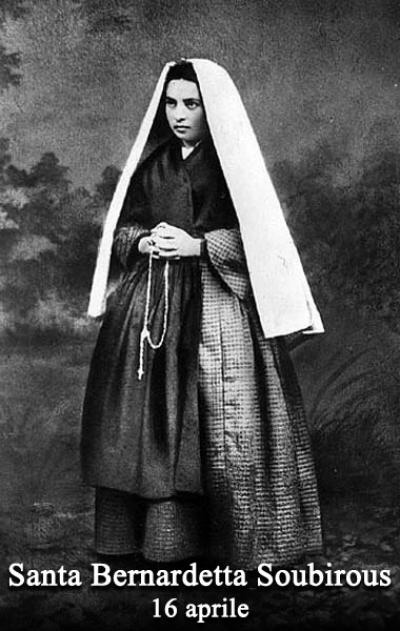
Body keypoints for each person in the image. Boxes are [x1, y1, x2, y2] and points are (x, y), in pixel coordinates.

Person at [81, 59, 324, 570]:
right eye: (172, 103)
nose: (179, 114)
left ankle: (233, 541)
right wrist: (143, 242)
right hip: (152, 304)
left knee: (221, 411)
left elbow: (260, 239)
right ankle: (159, 540)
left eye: (191, 104)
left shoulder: (231, 163)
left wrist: (199, 246)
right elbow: (124, 228)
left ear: (211, 109)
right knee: (147, 418)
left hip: (216, 302)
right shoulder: (153, 165)